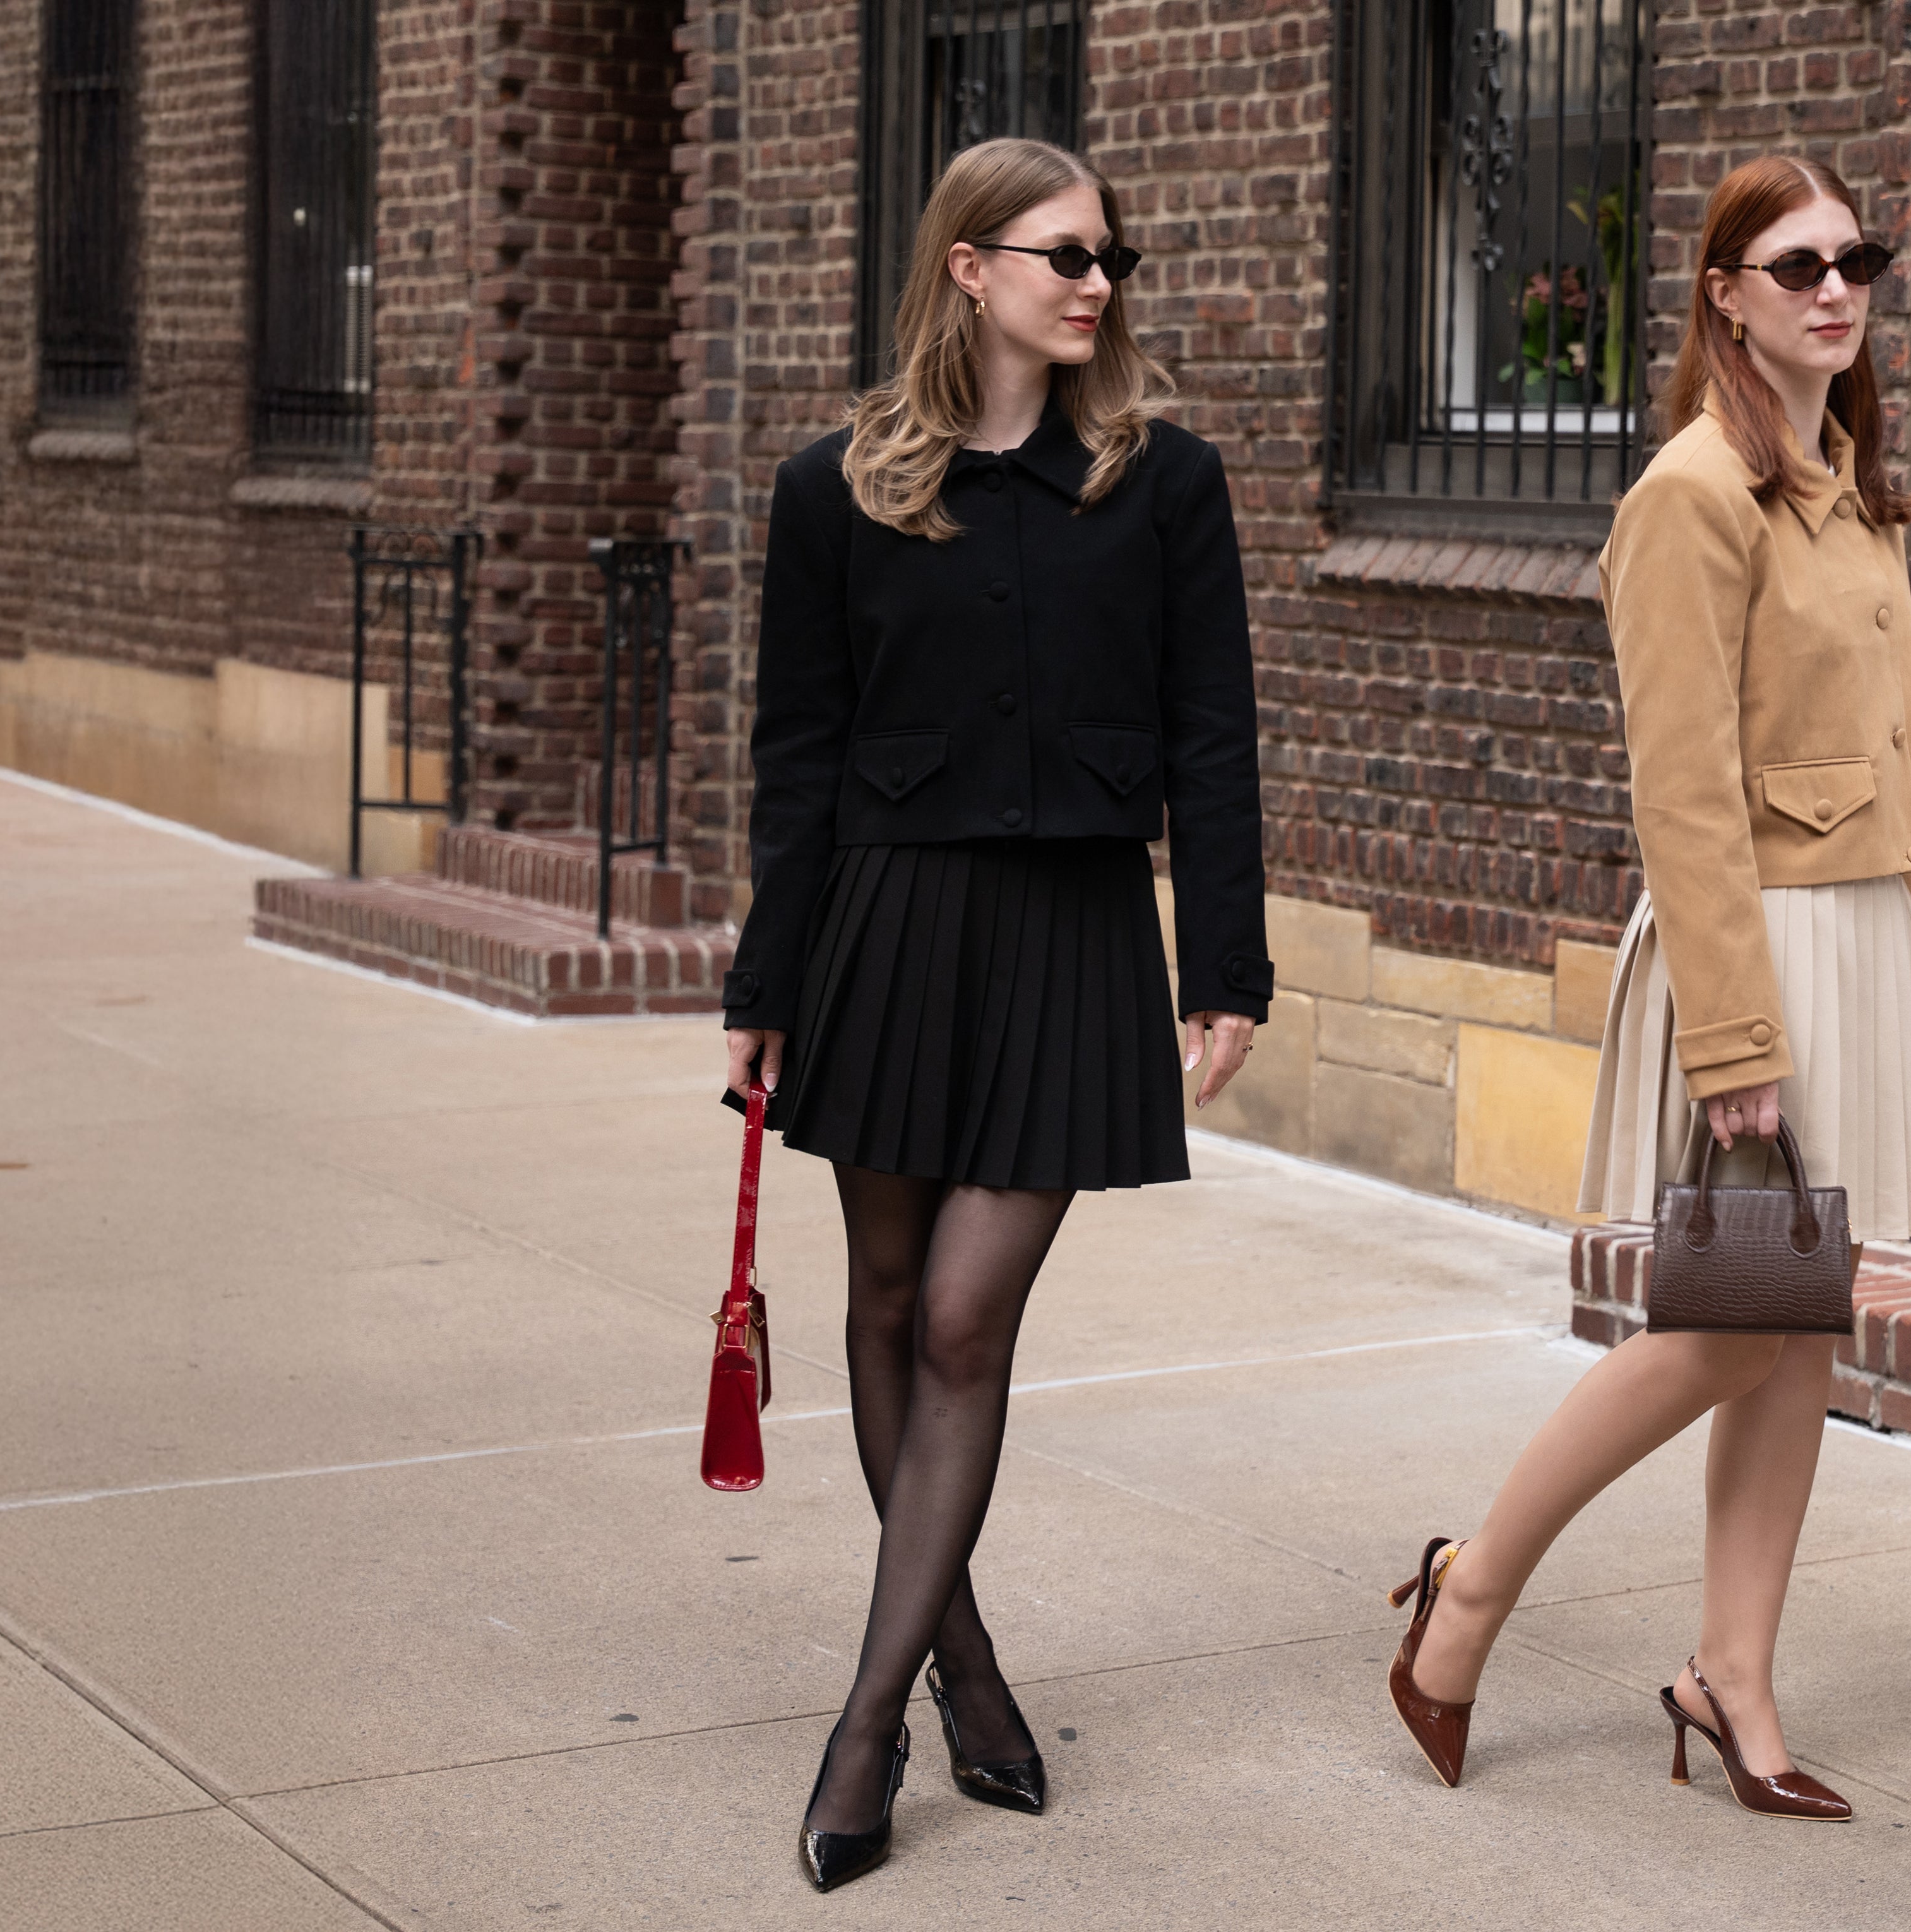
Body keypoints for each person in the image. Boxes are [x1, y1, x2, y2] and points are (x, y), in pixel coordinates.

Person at [1382, 154, 1911, 1822]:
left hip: (1862, 942)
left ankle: (1736, 1672)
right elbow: (1685, 788)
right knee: (1731, 1328)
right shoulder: (1692, 494)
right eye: (1795, 265)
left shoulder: (1849, 480)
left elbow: (1906, 758)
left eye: (1856, 258)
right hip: (1762, 948)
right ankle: (1475, 1581)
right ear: (1721, 290)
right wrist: (1737, 1035)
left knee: (1795, 1338)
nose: (1835, 289)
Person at [717, 136, 1272, 1889]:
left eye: (1112, 255)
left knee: (963, 1316)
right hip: (885, 930)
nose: (1098, 282)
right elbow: (795, 755)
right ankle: (962, 1660)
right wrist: (763, 978)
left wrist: (1228, 963)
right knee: (883, 1300)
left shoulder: (1163, 482)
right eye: (1063, 253)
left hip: (1073, 932)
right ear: (968, 267)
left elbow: (1216, 734)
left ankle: (868, 1724)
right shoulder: (838, 490)